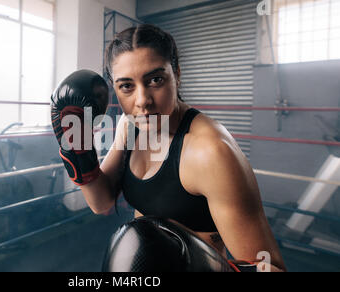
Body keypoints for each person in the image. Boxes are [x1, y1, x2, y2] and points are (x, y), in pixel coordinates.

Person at [51, 24, 286, 272]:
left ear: (177, 74)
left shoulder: (210, 151)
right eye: (127, 86)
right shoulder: (129, 126)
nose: (143, 101)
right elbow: (102, 202)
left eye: (155, 80)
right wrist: (76, 149)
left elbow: (269, 267)